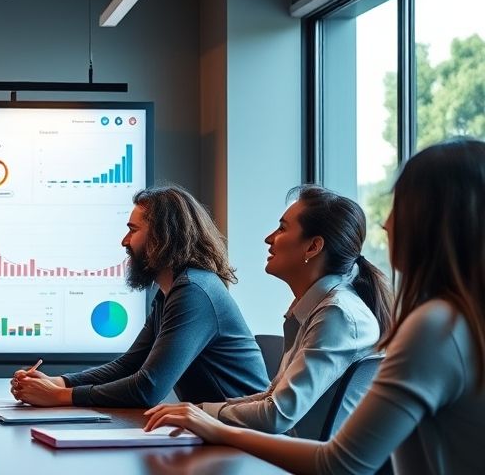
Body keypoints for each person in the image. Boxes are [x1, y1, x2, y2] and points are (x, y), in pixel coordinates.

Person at [145, 139, 485, 475]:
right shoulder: (455, 322)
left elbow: (338, 463)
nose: (386, 223)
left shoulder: (432, 327)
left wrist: (214, 426)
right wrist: (199, 414)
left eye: (400, 205)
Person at [11, 185, 269, 407]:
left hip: (246, 438)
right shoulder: (171, 291)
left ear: (162, 237)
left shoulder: (194, 291)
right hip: (218, 431)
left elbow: (148, 388)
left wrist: (60, 396)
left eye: (133, 230)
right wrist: (58, 382)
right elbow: (129, 365)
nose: (125, 241)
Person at [195, 186, 392, 438]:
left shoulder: (336, 314)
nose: (269, 239)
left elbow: (277, 415)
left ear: (313, 247)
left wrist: (203, 413)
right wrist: (199, 411)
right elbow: (272, 399)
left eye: (282, 228)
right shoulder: (319, 308)